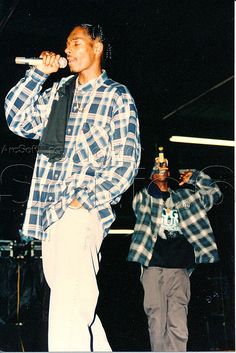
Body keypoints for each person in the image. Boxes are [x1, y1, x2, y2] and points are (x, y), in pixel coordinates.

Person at [5, 23, 141, 351]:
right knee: (76, 303)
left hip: (80, 212)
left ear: (97, 48)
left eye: (76, 43)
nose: (67, 50)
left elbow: (127, 160)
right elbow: (17, 119)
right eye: (66, 44)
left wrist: (86, 199)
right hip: (50, 212)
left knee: (68, 306)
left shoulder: (116, 95)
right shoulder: (61, 92)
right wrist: (38, 74)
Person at [127, 148, 222, 352]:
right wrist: (157, 182)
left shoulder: (187, 197)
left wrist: (195, 176)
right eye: (159, 170)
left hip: (180, 269)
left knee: (179, 323)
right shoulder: (144, 199)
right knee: (157, 319)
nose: (163, 171)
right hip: (152, 267)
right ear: (153, 176)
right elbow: (138, 205)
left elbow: (215, 195)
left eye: (165, 169)